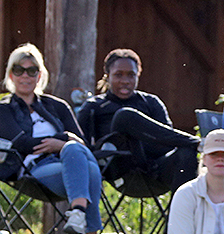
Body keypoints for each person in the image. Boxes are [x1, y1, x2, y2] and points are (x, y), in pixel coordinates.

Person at [0, 43, 105, 234]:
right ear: (10, 75)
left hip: (71, 164)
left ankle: (79, 214)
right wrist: (60, 142)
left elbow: (81, 142)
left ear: (40, 75)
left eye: (31, 70)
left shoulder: (58, 106)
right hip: (34, 169)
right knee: (86, 164)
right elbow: (20, 143)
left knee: (77, 153)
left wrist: (62, 144)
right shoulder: (2, 109)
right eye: (19, 70)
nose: (25, 76)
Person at [77, 49, 200, 193]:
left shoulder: (151, 102)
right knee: (124, 116)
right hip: (121, 174)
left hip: (155, 173)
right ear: (107, 75)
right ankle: (197, 141)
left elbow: (168, 142)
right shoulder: (94, 106)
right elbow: (81, 145)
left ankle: (177, 214)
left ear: (138, 75)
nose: (125, 81)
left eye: (131, 75)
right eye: (118, 75)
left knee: (187, 152)